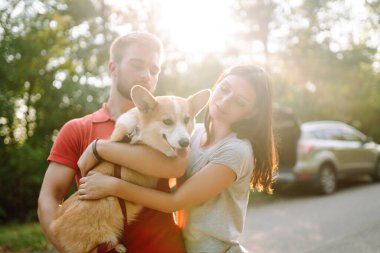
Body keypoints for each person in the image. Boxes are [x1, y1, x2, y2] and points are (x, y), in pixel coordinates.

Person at [78, 64, 278, 253]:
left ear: (252, 113)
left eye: (240, 102)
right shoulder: (192, 134)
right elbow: (155, 162)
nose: (225, 101)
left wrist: (112, 186)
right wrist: (98, 148)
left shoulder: (236, 151)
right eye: (225, 89)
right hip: (180, 245)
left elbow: (174, 202)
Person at [37, 32, 187, 253]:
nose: (147, 75)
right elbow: (49, 197)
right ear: (112, 67)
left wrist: (100, 148)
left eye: (154, 70)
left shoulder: (172, 123)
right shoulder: (77, 129)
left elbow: (177, 166)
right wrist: (73, 247)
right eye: (137, 65)